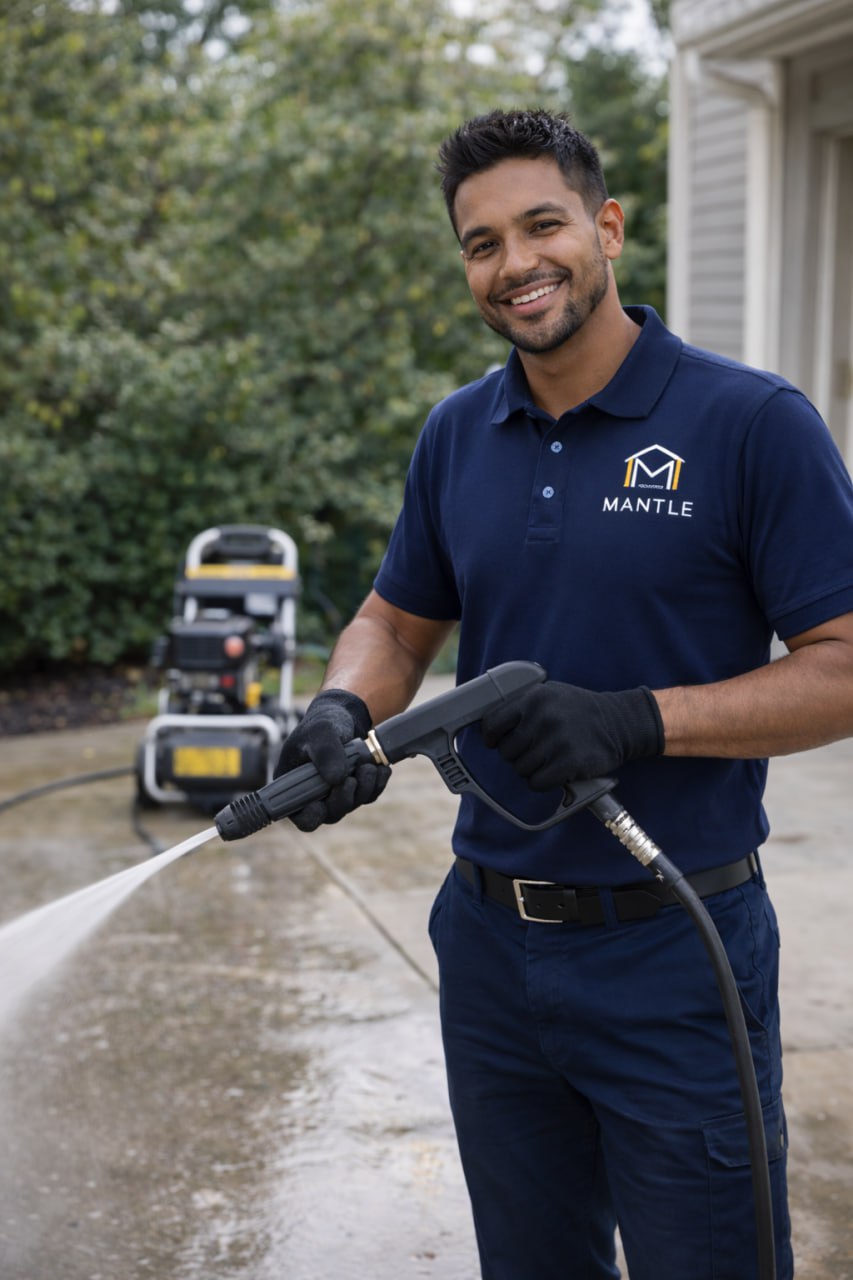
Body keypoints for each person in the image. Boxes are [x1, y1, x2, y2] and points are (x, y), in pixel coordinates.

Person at [275, 109, 853, 1279]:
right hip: (488, 943)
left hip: (673, 943)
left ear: (606, 226)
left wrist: (642, 716)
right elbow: (393, 619)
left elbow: (841, 664)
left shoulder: (748, 424)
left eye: (542, 225)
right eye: (480, 243)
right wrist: (343, 707)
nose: (515, 263)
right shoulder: (456, 434)